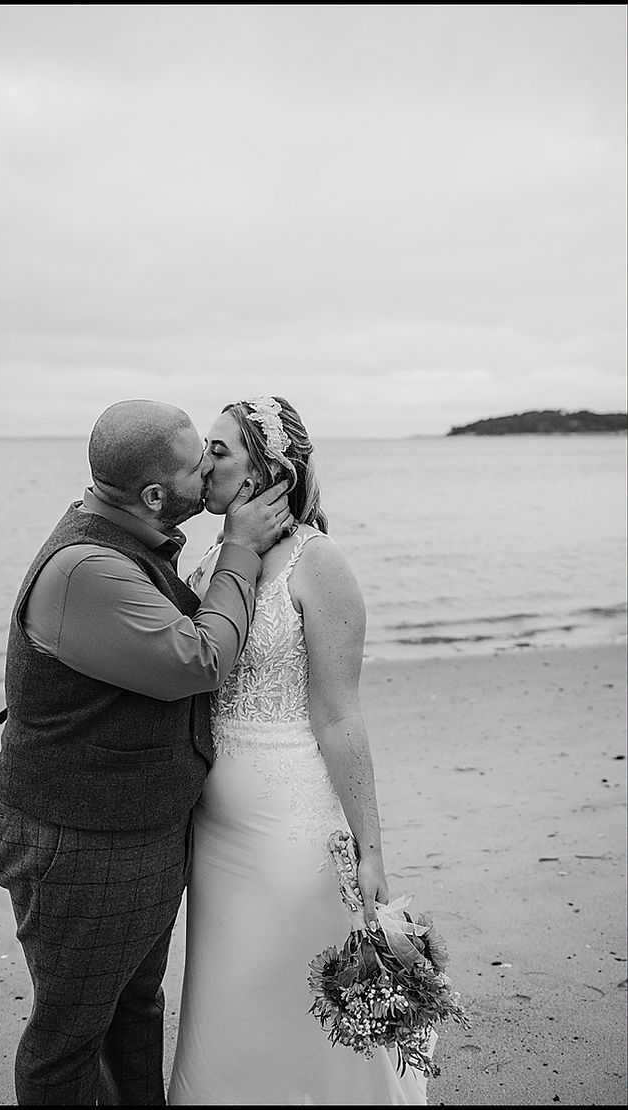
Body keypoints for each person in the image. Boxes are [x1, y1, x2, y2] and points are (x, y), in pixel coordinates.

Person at [0, 399, 295, 1104]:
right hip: (79, 842)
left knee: (135, 1012)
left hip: (132, 832)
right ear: (157, 495)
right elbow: (201, 659)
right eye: (197, 464)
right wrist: (241, 549)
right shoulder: (88, 568)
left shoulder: (136, 541)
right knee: (69, 1039)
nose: (211, 468)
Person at [167, 396, 428, 1104]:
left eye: (221, 449)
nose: (203, 462)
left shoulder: (319, 563)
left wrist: (371, 848)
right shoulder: (210, 565)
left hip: (291, 829)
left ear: (268, 469)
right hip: (212, 835)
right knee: (225, 999)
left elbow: (340, 716)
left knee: (292, 992)